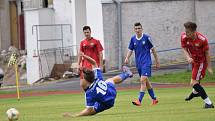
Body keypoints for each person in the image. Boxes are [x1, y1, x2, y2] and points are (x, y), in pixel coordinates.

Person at [63, 52, 133, 117]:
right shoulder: (97, 77)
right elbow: (94, 62)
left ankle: (126, 74)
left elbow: (89, 110)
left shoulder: (89, 93)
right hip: (111, 91)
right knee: (110, 80)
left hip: (108, 103)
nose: (82, 79)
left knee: (92, 111)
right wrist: (84, 56)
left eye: (83, 78)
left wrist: (74, 115)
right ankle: (127, 74)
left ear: (87, 81)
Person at [124, 22, 160, 106]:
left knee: (142, 80)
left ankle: (139, 100)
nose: (137, 30)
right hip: (139, 64)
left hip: (146, 62)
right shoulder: (133, 39)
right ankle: (154, 99)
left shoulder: (147, 37)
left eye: (139, 28)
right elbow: (130, 49)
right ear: (134, 30)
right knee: (146, 82)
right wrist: (127, 58)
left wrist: (157, 61)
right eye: (136, 29)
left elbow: (153, 49)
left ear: (142, 29)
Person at [181, 21, 214, 108]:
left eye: (188, 32)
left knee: (194, 82)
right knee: (196, 82)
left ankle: (209, 103)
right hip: (193, 61)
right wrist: (188, 57)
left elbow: (207, 54)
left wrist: (209, 67)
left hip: (201, 63)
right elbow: (184, 48)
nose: (186, 33)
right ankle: (194, 94)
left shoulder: (202, 40)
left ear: (194, 32)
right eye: (185, 31)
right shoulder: (184, 36)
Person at [78, 26, 104, 91]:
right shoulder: (82, 42)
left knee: (95, 82)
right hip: (85, 66)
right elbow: (80, 54)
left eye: (87, 32)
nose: (86, 34)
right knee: (82, 83)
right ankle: (88, 95)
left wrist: (101, 65)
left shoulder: (96, 41)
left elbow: (100, 53)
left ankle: (96, 96)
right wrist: (78, 65)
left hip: (94, 65)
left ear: (90, 32)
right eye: (85, 32)